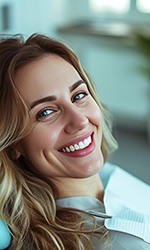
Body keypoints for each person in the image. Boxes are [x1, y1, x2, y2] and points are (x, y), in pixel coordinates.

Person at [0, 34, 150, 250]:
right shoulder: (117, 243)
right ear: (13, 143)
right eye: (46, 112)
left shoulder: (108, 176)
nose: (80, 120)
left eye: (78, 96)